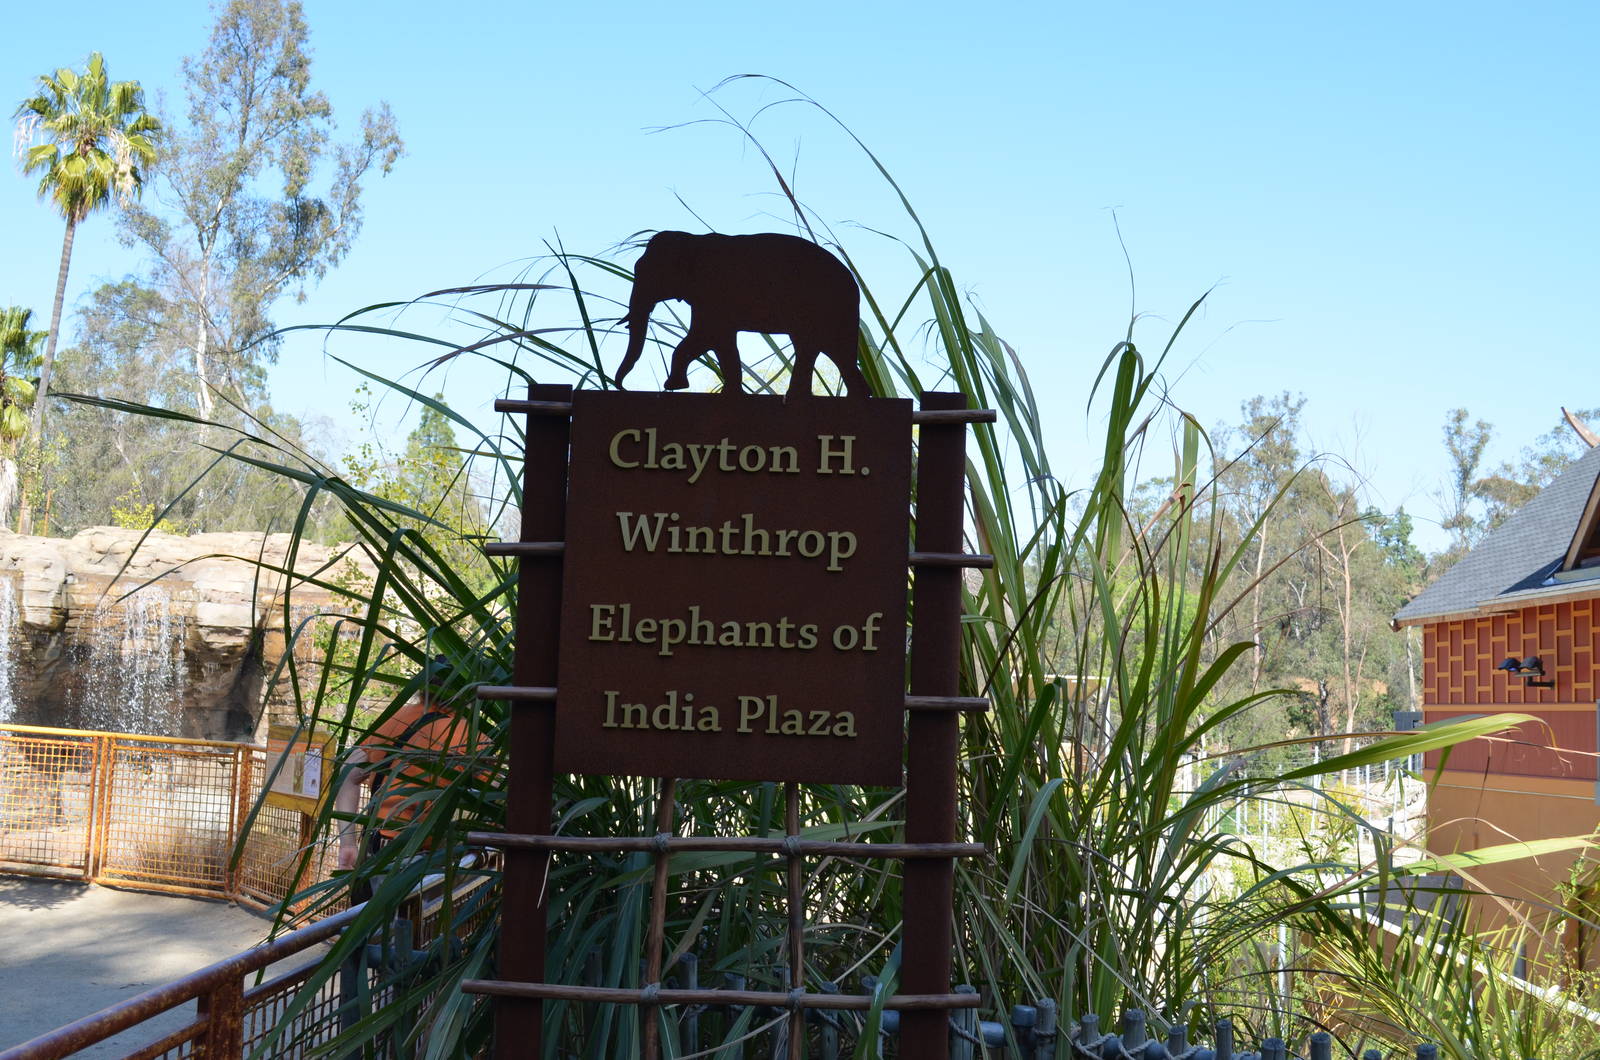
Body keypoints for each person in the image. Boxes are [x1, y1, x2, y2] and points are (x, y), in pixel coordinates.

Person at [334, 656, 490, 873]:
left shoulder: (394, 720)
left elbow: (348, 773)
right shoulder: (471, 737)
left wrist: (348, 843)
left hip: (379, 847)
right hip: (428, 855)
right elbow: (494, 802)